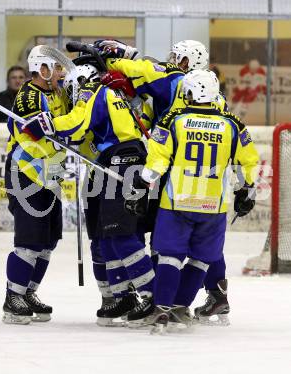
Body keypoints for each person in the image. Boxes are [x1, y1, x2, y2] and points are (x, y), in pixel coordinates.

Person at [95, 38, 234, 324]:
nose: (170, 59)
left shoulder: (174, 80)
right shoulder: (217, 100)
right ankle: (217, 291)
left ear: (185, 61)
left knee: (167, 240)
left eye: (175, 56)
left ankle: (164, 302)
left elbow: (143, 71)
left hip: (173, 174)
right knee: (203, 242)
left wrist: (117, 57)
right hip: (211, 183)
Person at [126, 70, 259, 330]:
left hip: (178, 201)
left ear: (190, 93)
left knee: (170, 257)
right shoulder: (233, 123)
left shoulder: (173, 119)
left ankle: (162, 309)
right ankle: (179, 307)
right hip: (213, 204)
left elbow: (158, 160)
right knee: (201, 259)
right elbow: (248, 162)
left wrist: (142, 184)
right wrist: (246, 191)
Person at [52, 62, 155, 326]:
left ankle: (153, 297)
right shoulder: (113, 94)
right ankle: (122, 297)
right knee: (108, 235)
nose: (72, 97)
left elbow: (76, 124)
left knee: (119, 233)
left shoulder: (93, 90)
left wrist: (49, 124)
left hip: (122, 159)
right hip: (119, 160)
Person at [2, 46, 67, 325]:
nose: (61, 72)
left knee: (47, 241)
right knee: (29, 241)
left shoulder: (57, 93)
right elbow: (27, 132)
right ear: (42, 69)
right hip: (26, 173)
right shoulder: (29, 96)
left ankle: (28, 292)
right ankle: (13, 297)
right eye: (56, 67)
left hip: (50, 175)